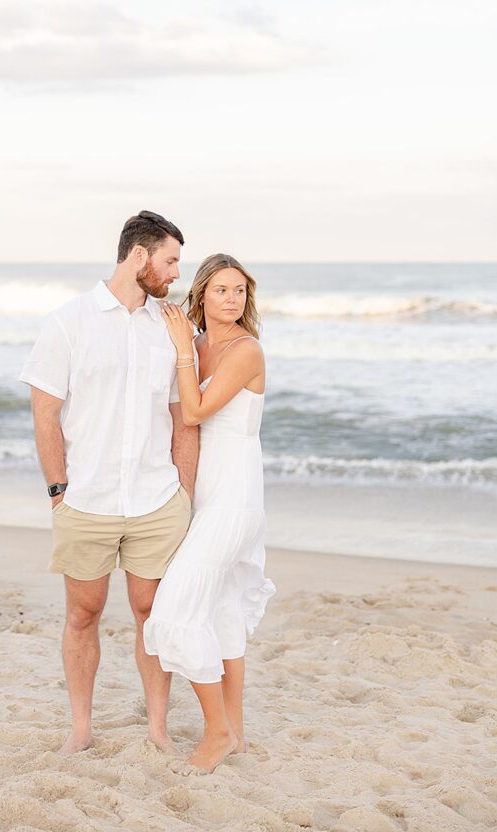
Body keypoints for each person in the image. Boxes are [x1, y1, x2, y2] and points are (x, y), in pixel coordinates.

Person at [19, 210, 199, 756]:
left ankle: (158, 728)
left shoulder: (171, 329)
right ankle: (81, 728)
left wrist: (183, 494)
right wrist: (58, 490)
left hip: (155, 500)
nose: (174, 274)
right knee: (83, 613)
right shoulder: (68, 322)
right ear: (139, 256)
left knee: (153, 613)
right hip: (87, 500)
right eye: (169, 261)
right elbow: (45, 414)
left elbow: (182, 417)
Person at [143, 253, 276, 773]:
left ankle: (217, 732)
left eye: (239, 290)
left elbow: (195, 411)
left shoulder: (247, 350)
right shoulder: (198, 344)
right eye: (221, 290)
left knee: (175, 609)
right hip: (203, 492)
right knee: (219, 611)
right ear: (201, 295)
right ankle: (237, 733)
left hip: (236, 495)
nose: (232, 299)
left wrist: (180, 351)